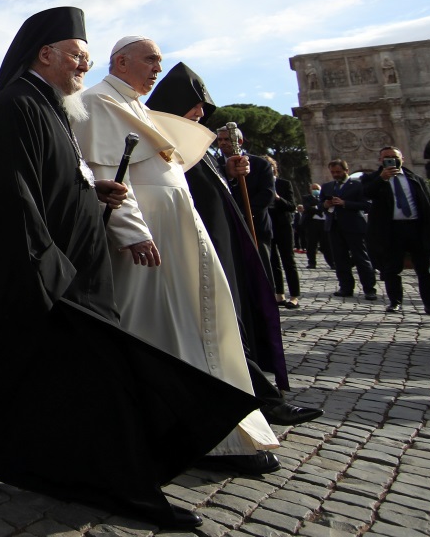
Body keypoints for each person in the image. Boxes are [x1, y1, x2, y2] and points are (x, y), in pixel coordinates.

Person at [0, 9, 257, 531]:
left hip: (75, 265)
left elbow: (57, 177)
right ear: (46, 55)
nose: (85, 64)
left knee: (27, 373)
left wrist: (91, 191)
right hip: (53, 271)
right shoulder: (18, 105)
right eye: (78, 55)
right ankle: (108, 480)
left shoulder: (51, 106)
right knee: (34, 369)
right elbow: (9, 196)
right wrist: (49, 267)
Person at [74, 36, 279, 476]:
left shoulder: (140, 108)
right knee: (159, 332)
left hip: (179, 236)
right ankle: (172, 430)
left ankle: (217, 426)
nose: (156, 69)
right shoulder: (96, 102)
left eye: (159, 62)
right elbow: (110, 174)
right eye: (150, 60)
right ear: (121, 61)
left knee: (196, 326)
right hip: (147, 242)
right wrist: (133, 231)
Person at [147, 62, 322, 426]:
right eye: (196, 107)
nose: (200, 114)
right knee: (222, 328)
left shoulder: (196, 139)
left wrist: (229, 175)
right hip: (193, 245)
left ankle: (260, 398)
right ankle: (264, 402)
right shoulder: (161, 138)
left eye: (204, 110)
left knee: (232, 323)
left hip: (222, 243)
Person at [362, 147, 430, 315]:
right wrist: (381, 179)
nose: (391, 160)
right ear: (380, 160)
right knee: (392, 269)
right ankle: (395, 302)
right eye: (386, 157)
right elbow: (365, 194)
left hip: (417, 227)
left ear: (402, 159)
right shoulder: (371, 178)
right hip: (391, 229)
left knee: (425, 269)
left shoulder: (416, 179)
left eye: (394, 157)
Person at [216, 126, 277, 293]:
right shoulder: (216, 165)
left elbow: (267, 194)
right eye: (220, 140)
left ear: (239, 141)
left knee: (261, 267)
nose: (222, 143)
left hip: (255, 224)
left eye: (227, 139)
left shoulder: (260, 164)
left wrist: (243, 213)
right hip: (228, 224)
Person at [320, 158, 378, 300]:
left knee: (361, 258)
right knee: (340, 259)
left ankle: (369, 288)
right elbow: (320, 206)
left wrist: (345, 203)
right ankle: (345, 287)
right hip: (334, 226)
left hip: (354, 226)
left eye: (338, 172)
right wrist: (325, 205)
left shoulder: (358, 186)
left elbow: (367, 205)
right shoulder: (327, 186)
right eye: (333, 172)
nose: (335, 175)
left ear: (346, 170)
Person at [267, 157, 301, 307]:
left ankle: (294, 295)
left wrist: (278, 199)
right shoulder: (258, 185)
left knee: (288, 260)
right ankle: (279, 294)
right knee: (273, 261)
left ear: (274, 168)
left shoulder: (284, 184)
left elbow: (291, 206)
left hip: (283, 226)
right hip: (268, 225)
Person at [302, 183, 333, 270]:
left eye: (317, 188)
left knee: (326, 244)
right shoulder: (307, 197)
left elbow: (327, 206)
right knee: (311, 244)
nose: (315, 190)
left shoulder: (324, 197)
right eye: (313, 188)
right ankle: (311, 262)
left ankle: (332, 262)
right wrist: (319, 209)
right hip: (312, 223)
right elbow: (308, 208)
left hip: (323, 223)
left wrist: (317, 207)